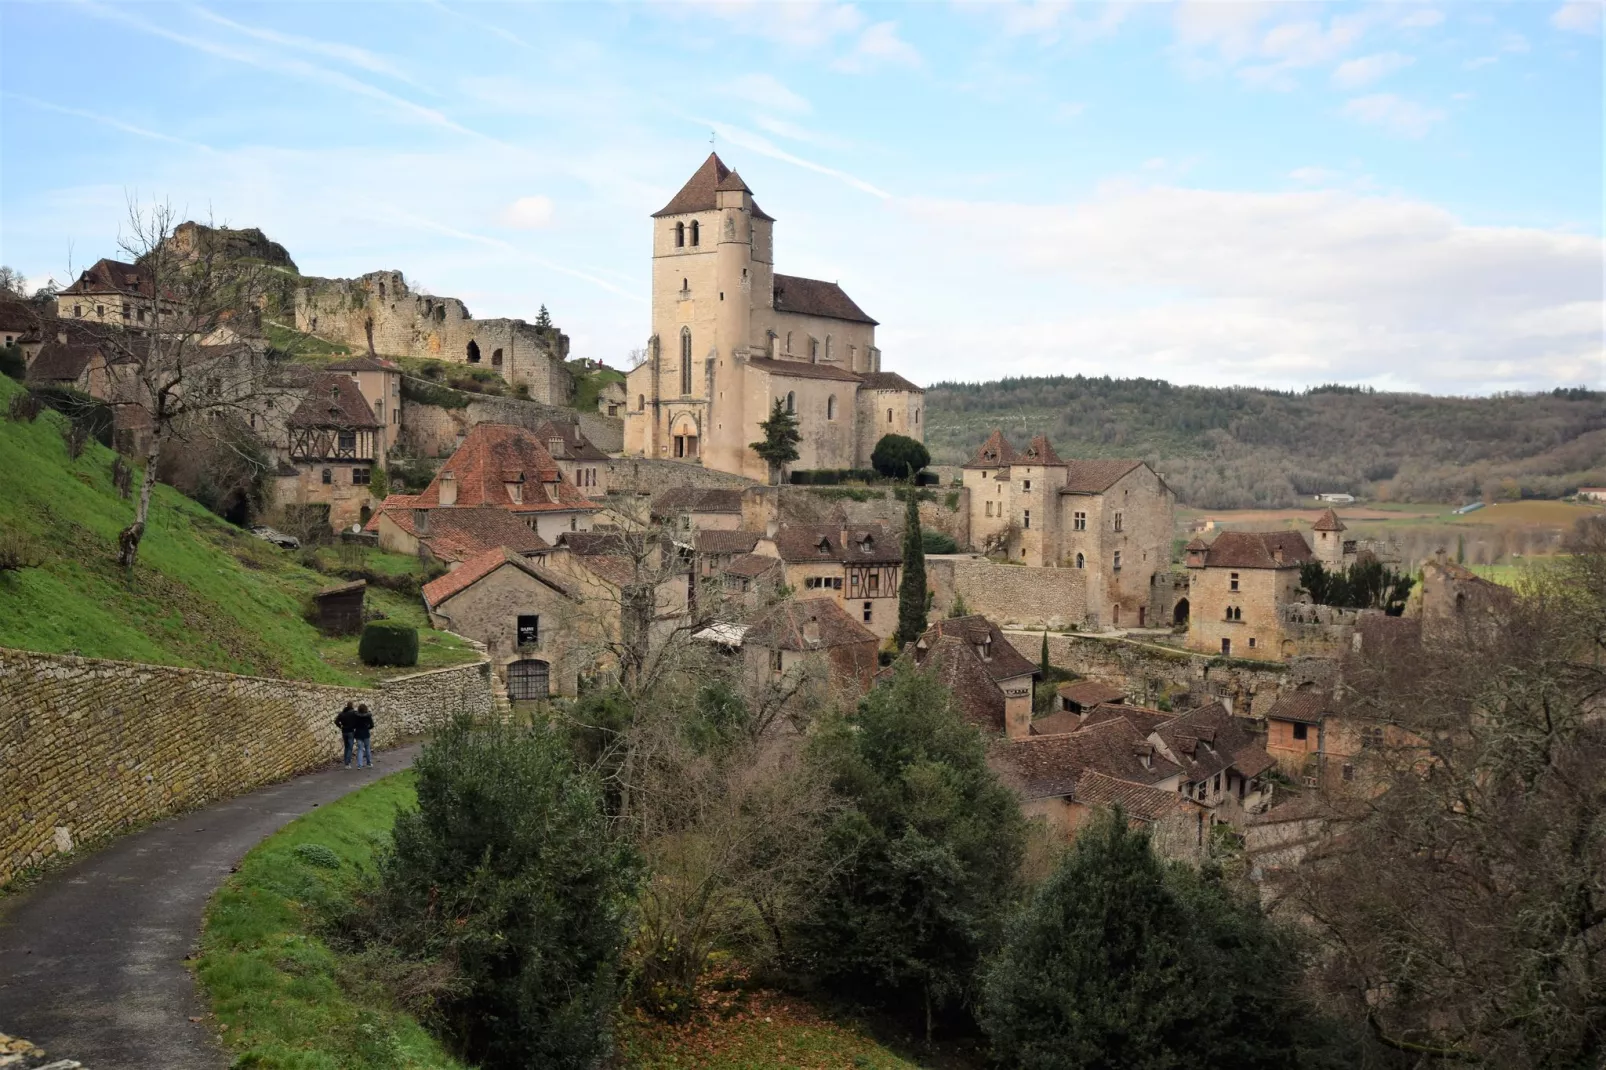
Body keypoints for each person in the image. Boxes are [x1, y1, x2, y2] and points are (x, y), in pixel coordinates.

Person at [335, 702, 358, 768]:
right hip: (351, 731)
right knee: (350, 748)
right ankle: (347, 763)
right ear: (352, 706)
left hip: (344, 731)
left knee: (346, 747)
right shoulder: (353, 713)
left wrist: (340, 726)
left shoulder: (342, 713)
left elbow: (336, 721)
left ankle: (346, 761)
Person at [353, 703, 375, 768]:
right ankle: (369, 763)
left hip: (358, 733)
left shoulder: (356, 716)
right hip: (366, 733)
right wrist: (367, 728)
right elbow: (372, 725)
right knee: (367, 748)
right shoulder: (368, 716)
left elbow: (354, 725)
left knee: (360, 749)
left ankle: (359, 765)